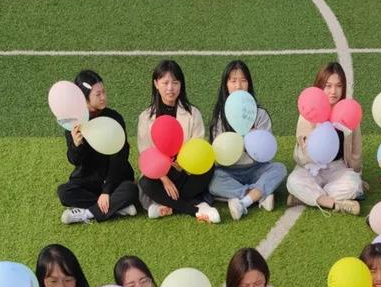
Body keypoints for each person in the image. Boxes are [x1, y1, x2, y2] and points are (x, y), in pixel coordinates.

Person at [136, 59, 220, 223]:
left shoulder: (192, 113)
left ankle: (166, 205)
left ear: (181, 85)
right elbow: (145, 153)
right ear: (156, 84)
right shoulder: (146, 117)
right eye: (165, 82)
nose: (170, 88)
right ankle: (193, 208)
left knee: (209, 167)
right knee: (145, 183)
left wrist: (182, 164)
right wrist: (164, 178)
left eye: (175, 82)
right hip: (160, 176)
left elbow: (197, 147)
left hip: (185, 173)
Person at [207, 59, 287, 220]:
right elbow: (218, 156)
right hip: (229, 171)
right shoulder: (220, 117)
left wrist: (253, 140)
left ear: (249, 84)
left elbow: (267, 153)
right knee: (212, 180)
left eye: (243, 80)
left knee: (279, 169)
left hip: (257, 168)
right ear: (226, 85)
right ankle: (258, 195)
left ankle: (242, 200)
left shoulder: (260, 114)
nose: (238, 86)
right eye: (233, 81)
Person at [57, 69, 137, 225]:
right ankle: (118, 207)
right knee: (64, 192)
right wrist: (76, 145)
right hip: (89, 179)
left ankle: (88, 213)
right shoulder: (74, 123)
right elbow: (74, 160)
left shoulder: (114, 118)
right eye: (98, 94)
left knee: (131, 189)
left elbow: (120, 157)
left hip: (115, 178)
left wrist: (107, 190)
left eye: (104, 92)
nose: (103, 97)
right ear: (84, 98)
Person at [286, 62, 363, 214]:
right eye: (328, 86)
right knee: (293, 181)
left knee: (354, 185)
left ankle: (306, 197)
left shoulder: (348, 111)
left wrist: (357, 173)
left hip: (338, 167)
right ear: (320, 86)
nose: (333, 91)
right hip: (312, 167)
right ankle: (334, 204)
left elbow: (356, 150)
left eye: (338, 86)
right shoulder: (309, 111)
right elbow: (301, 155)